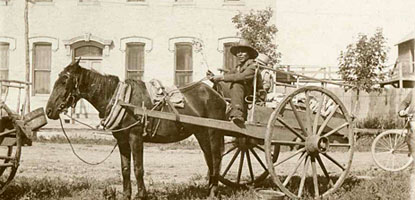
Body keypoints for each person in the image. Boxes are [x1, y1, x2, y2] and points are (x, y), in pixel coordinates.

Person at [208, 39, 259, 124]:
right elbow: (228, 76)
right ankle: (212, 110)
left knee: (237, 84)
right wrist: (214, 78)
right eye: (238, 52)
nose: (240, 54)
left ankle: (237, 114)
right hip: (239, 93)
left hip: (251, 95)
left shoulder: (253, 66)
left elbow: (241, 77)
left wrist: (222, 77)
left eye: (243, 52)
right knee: (219, 84)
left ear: (249, 54)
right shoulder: (238, 67)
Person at [398, 89, 415, 161]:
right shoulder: (414, 91)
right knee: (412, 138)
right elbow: (405, 102)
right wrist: (401, 110)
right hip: (413, 118)